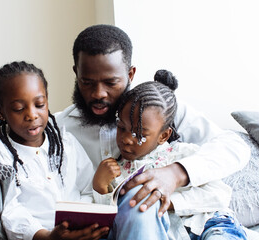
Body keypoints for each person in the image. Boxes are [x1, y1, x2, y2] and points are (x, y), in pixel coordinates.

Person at [55, 24, 250, 216]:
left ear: (130, 74)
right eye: (87, 82)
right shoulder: (57, 129)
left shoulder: (161, 111)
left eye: (110, 82)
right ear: (76, 74)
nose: (98, 94)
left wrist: (176, 173)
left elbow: (234, 147)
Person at [0, 61, 109, 240]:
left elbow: (87, 187)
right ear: (0, 111)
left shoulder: (65, 141)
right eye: (19, 108)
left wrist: (81, 221)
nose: (31, 115)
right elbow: (10, 211)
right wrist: (46, 236)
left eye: (39, 104)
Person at [92, 70, 247, 240]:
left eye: (139, 134)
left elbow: (219, 195)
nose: (127, 139)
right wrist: (100, 187)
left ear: (163, 136)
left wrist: (170, 202)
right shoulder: (115, 170)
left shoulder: (182, 154)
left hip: (209, 224)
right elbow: (113, 219)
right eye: (121, 128)